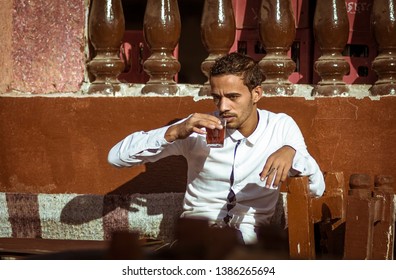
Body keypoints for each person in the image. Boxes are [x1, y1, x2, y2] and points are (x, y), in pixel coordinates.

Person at [108, 52, 325, 245]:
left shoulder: (280, 127)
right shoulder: (197, 127)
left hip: (248, 242)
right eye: (216, 97)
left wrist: (292, 154)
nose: (222, 108)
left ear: (256, 94)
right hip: (196, 238)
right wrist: (173, 132)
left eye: (233, 97)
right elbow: (115, 158)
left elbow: (317, 188)